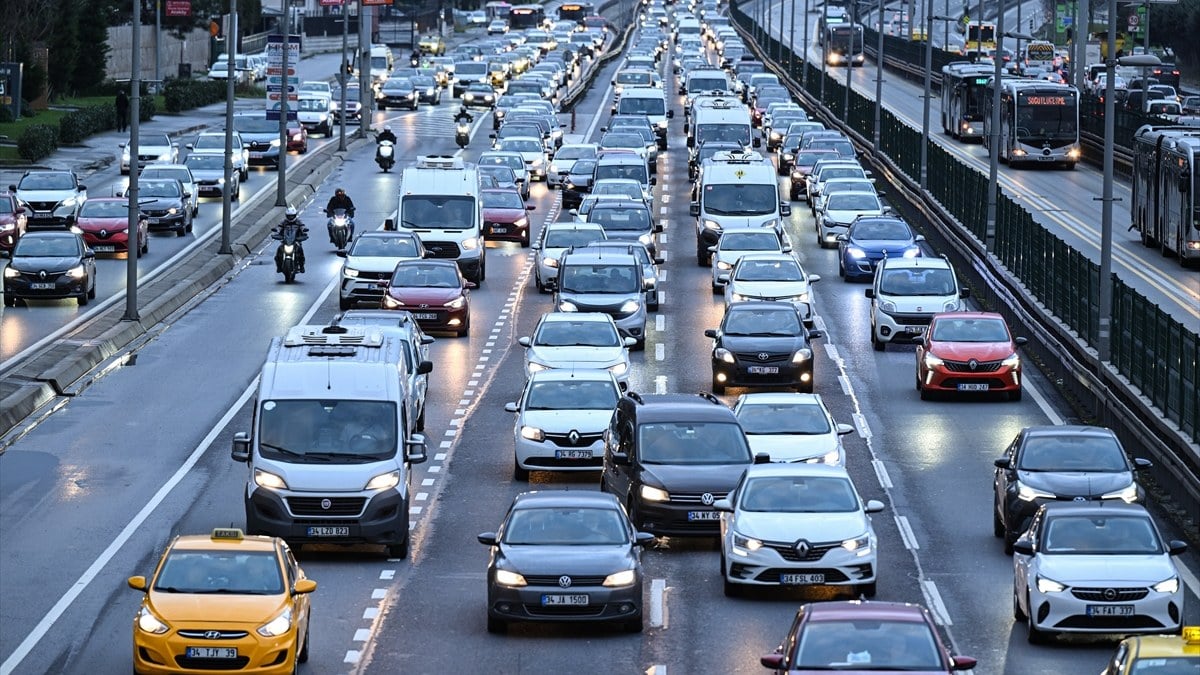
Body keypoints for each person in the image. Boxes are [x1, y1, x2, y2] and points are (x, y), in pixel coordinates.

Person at [272, 207, 308, 274]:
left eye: (292, 216)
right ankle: (279, 266)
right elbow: (279, 227)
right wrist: (276, 231)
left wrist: (304, 230)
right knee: (279, 251)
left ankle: (302, 266)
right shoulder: (284, 222)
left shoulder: (298, 222)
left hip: (296, 241)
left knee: (300, 251)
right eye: (289, 216)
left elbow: (302, 227)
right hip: (286, 241)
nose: (291, 217)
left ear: (295, 215)